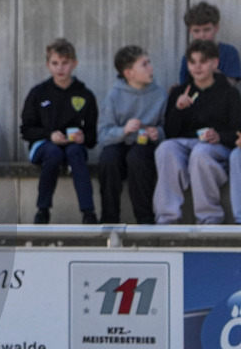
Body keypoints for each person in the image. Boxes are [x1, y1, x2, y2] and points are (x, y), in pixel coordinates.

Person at [156, 39, 241, 224]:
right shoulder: (180, 91)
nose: (197, 67)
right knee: (165, 149)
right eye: (192, 62)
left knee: (200, 153)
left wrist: (219, 136)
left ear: (215, 63)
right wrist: (178, 109)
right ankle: (167, 218)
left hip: (216, 147)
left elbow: (238, 132)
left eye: (203, 61)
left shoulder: (229, 93)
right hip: (185, 144)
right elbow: (170, 133)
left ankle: (209, 217)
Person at [19, 38, 98, 224]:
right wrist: (49, 135)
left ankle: (89, 214)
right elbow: (26, 130)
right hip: (43, 145)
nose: (60, 68)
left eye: (65, 63)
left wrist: (83, 137)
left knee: (76, 152)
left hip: (72, 147)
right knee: (53, 153)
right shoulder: (38, 93)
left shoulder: (85, 94)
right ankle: (42, 211)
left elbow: (93, 137)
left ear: (74, 64)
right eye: (55, 63)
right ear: (48, 65)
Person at [97, 46, 165, 224]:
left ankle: (145, 220)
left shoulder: (160, 94)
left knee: (137, 158)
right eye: (144, 65)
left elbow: (169, 128)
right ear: (129, 73)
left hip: (145, 146)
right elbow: (103, 135)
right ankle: (109, 220)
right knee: (108, 159)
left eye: (149, 63)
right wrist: (124, 130)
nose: (151, 68)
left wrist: (157, 132)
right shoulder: (114, 95)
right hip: (119, 142)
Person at [177, 1, 241, 86]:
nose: (202, 35)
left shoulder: (228, 52)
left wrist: (211, 72)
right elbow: (185, 85)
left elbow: (231, 84)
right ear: (190, 31)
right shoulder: (188, 56)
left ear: (216, 28)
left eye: (206, 30)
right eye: (196, 31)